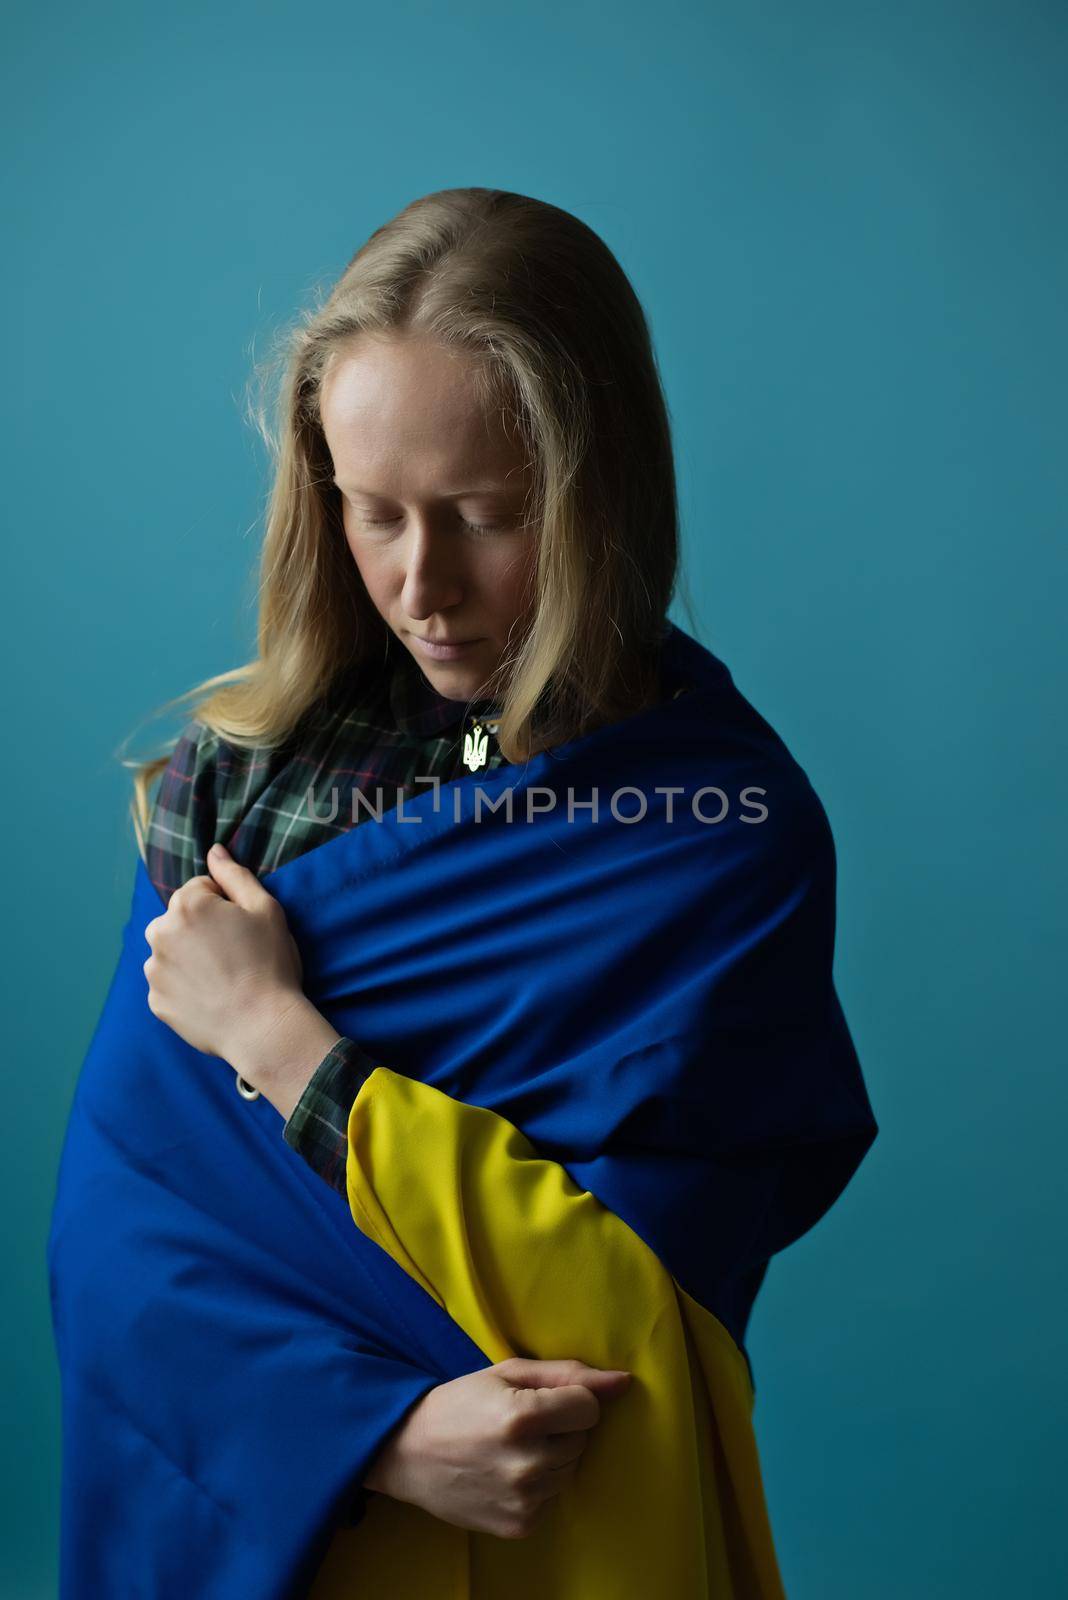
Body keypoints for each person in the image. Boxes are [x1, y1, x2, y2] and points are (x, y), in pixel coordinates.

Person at [51, 186, 877, 1597]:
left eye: (487, 516)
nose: (422, 584)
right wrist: (377, 1435)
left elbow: (635, 1303)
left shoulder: (725, 840)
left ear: (600, 492)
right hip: (321, 1539)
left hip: (559, 1532)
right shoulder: (231, 792)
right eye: (374, 516)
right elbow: (123, 1244)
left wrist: (279, 1041)